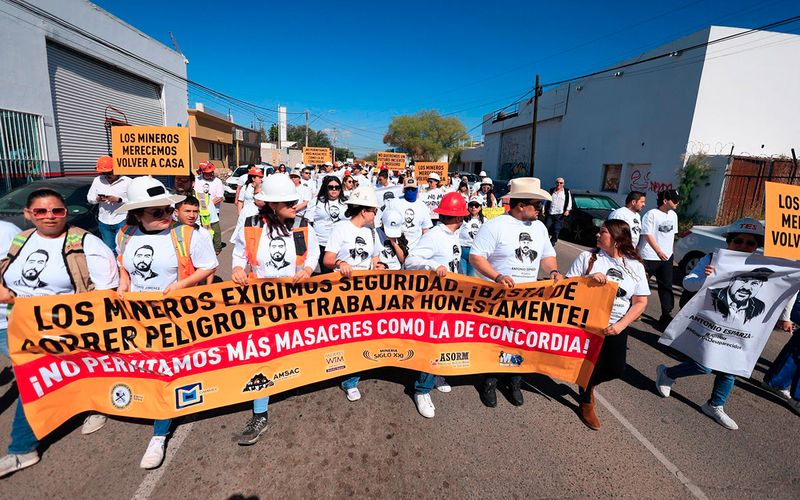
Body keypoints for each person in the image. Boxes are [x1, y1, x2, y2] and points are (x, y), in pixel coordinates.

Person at [0, 189, 118, 477]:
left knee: (32, 382)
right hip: (10, 325)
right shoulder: (20, 239)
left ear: (66, 212)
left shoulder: (84, 242)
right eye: (40, 212)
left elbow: (105, 292)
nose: (49, 216)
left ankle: (22, 450)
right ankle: (93, 399)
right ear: (29, 215)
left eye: (56, 211)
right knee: (64, 374)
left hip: (57, 331)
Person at [115, 176, 218, 468]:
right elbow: (125, 265)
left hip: (173, 317)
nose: (166, 215)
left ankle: (160, 434)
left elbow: (208, 266)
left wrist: (183, 284)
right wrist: (123, 286)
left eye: (167, 210)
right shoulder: (125, 234)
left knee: (165, 372)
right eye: (156, 212)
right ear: (137, 214)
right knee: (140, 367)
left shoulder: (188, 235)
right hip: (136, 317)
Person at [655, 217, 793, 430]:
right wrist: (705, 279)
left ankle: (715, 405)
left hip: (740, 327)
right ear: (729, 241)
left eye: (751, 243)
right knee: (704, 365)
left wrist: (786, 315)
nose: (744, 246)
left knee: (730, 367)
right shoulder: (713, 258)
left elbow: (785, 287)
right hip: (711, 322)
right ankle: (667, 374)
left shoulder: (763, 265)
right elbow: (687, 283)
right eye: (738, 240)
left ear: (757, 245)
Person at [231, 173, 318, 445]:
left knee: (291, 345)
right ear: (272, 205)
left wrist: (306, 269)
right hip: (259, 300)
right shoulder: (251, 224)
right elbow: (240, 254)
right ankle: (260, 413)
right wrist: (236, 268)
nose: (296, 204)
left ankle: (289, 381)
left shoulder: (302, 225)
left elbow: (311, 254)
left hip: (293, 300)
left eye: (295, 200)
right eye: (289, 202)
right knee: (261, 354)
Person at [469, 177, 562, 407]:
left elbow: (547, 256)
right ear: (521, 206)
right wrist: (497, 276)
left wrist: (553, 272)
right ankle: (490, 381)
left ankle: (514, 381)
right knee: (497, 340)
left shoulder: (539, 228)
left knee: (520, 341)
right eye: (537, 205)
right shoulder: (496, 225)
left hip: (527, 299)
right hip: (498, 297)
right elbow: (476, 256)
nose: (541, 210)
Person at [565, 220, 649, 429]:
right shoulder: (589, 258)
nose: (597, 234)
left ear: (617, 239)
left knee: (616, 368)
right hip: (587, 324)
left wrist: (621, 325)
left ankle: (587, 383)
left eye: (602, 232)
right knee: (588, 364)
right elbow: (565, 288)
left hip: (616, 326)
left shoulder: (635, 266)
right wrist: (588, 280)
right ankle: (586, 402)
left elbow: (640, 302)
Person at [405, 192, 468, 417]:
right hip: (433, 301)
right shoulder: (434, 235)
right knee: (431, 343)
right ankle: (421, 390)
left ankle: (437, 373)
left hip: (450, 298)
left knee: (445, 341)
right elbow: (410, 261)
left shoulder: (453, 235)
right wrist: (432, 265)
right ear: (458, 217)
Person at [323, 186, 381, 402]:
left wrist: (379, 265)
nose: (375, 214)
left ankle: (360, 368)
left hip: (367, 291)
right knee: (349, 335)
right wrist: (340, 262)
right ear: (364, 211)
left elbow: (374, 258)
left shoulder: (370, 232)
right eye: (373, 210)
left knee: (364, 333)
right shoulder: (341, 229)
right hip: (344, 291)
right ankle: (349, 380)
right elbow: (327, 259)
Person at [639, 189, 681, 326]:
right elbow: (647, 234)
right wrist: (658, 251)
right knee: (640, 284)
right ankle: (633, 309)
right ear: (665, 201)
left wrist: (670, 252)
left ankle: (666, 314)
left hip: (666, 257)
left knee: (666, 286)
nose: (677, 202)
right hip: (649, 256)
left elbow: (672, 235)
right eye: (674, 200)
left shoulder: (673, 215)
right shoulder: (651, 214)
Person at [87, 155, 131, 253]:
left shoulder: (127, 181)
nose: (107, 175)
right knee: (109, 250)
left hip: (122, 219)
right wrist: (97, 198)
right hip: (104, 221)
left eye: (109, 173)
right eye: (104, 173)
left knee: (124, 249)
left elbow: (135, 200)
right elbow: (90, 198)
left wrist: (119, 200)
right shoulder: (97, 181)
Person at [304, 176, 349, 274]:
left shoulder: (346, 202)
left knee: (340, 272)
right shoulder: (316, 202)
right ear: (325, 188)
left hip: (341, 244)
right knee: (325, 274)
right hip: (322, 243)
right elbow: (308, 222)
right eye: (330, 187)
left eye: (337, 187)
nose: (334, 189)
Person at [391, 177, 433, 250]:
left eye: (413, 189)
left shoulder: (422, 206)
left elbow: (425, 229)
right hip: (396, 248)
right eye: (408, 189)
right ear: (404, 189)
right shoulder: (395, 202)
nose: (410, 191)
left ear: (417, 189)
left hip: (415, 249)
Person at [194, 161, 225, 255]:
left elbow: (220, 197)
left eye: (212, 172)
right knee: (200, 230)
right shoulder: (197, 180)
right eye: (208, 173)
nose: (211, 174)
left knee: (215, 230)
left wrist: (207, 205)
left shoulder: (217, 181)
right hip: (198, 211)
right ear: (202, 172)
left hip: (213, 211)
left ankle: (217, 248)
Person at [543, 177, 572, 246]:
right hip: (550, 212)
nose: (559, 184)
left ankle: (553, 242)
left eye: (561, 183)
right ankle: (546, 241)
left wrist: (567, 210)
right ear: (555, 183)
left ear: (563, 184)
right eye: (557, 182)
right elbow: (546, 200)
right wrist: (543, 208)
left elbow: (569, 202)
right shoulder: (551, 190)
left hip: (560, 214)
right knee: (546, 227)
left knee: (556, 229)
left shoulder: (566, 192)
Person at [459, 200, 485, 276]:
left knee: (471, 276)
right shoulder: (462, 219)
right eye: (471, 205)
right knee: (462, 275)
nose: (473, 207)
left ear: (480, 207)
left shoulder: (484, 220)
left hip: (475, 251)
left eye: (476, 205)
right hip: (463, 249)